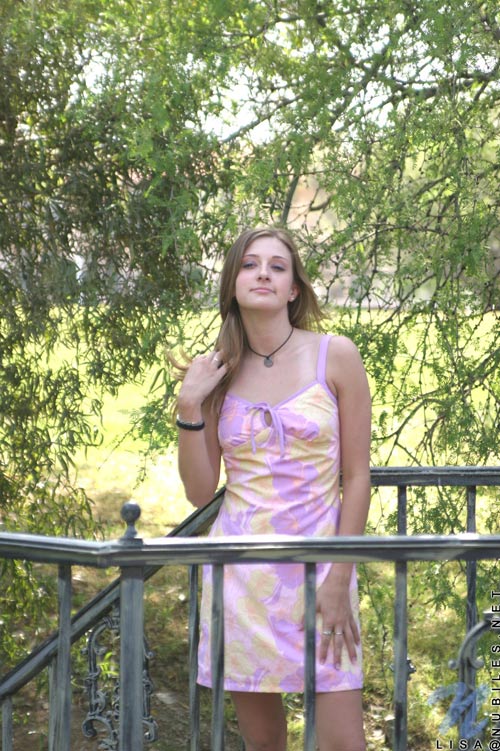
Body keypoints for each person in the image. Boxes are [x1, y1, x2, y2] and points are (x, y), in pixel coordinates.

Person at [176, 226, 371, 751]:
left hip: (322, 573)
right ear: (232, 283)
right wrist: (189, 406)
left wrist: (339, 578)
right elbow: (200, 492)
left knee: (343, 745)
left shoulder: (336, 355)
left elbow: (357, 477)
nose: (263, 273)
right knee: (264, 745)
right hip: (240, 578)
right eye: (249, 264)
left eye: (277, 266)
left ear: (293, 290)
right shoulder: (217, 371)